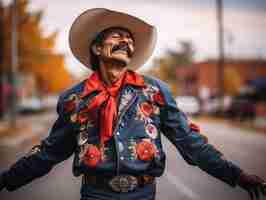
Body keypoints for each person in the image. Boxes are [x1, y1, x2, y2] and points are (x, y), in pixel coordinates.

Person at [0, 8, 265, 200]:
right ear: (96, 48)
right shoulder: (74, 99)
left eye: (130, 40)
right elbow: (48, 153)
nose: (127, 41)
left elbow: (191, 143)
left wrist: (237, 175)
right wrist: (6, 179)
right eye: (118, 35)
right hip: (95, 196)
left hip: (143, 195)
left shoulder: (155, 91)